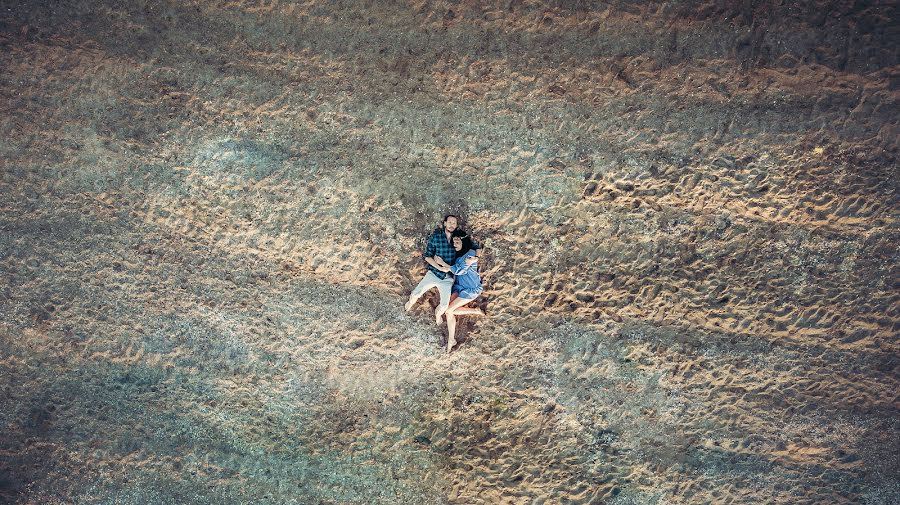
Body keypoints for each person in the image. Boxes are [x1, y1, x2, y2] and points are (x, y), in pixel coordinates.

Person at [405, 214, 470, 319]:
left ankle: (438, 314)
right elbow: (427, 256)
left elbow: (462, 257)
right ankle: (410, 303)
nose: (451, 225)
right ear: (445, 223)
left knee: (444, 306)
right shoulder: (436, 237)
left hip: (448, 278)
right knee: (417, 293)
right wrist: (439, 267)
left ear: (456, 225)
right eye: (449, 222)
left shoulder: (458, 240)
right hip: (434, 273)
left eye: (454, 223)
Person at [436, 230, 484, 352]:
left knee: (449, 310)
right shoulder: (462, 254)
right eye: (453, 242)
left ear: (463, 241)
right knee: (448, 310)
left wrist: (442, 263)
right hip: (459, 287)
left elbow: (459, 271)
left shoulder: (470, 255)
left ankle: (475, 311)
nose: (455, 244)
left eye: (457, 241)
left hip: (470, 289)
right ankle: (451, 339)